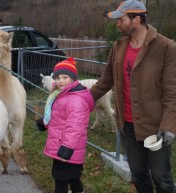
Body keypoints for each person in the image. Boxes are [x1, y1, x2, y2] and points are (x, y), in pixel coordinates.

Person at [90, 0, 176, 192]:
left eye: (121, 20)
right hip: (127, 126)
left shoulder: (167, 48)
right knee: (138, 174)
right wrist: (81, 99)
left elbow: (173, 93)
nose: (117, 24)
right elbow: (105, 81)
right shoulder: (118, 47)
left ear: (136, 20)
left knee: (161, 178)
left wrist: (169, 125)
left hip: (156, 127)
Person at [36, 57, 94, 193]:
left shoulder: (76, 100)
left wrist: (67, 147)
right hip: (63, 147)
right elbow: (59, 117)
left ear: (73, 79)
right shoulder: (63, 95)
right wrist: (45, 122)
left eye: (65, 77)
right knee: (73, 177)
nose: (60, 81)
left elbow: (75, 127)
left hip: (67, 148)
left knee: (61, 180)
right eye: (57, 77)